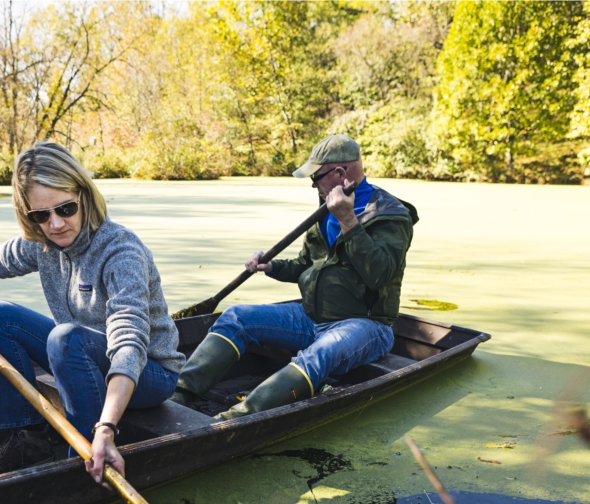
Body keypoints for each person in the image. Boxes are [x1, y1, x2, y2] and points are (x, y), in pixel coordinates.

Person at [0, 142, 185, 483]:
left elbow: (128, 343)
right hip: (80, 353)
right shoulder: (43, 242)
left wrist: (106, 428)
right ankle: (28, 439)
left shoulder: (121, 251)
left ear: (84, 196)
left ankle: (82, 452)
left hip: (146, 373)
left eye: (65, 209)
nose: (56, 224)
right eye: (40, 215)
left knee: (64, 339)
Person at [170, 134, 416, 419]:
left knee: (320, 353)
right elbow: (307, 265)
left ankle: (236, 418)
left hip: (366, 326)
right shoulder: (325, 210)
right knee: (236, 317)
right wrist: (272, 267)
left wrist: (348, 221)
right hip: (311, 316)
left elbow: (381, 274)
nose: (313, 184)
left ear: (339, 173)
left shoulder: (390, 215)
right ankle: (179, 394)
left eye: (317, 177)